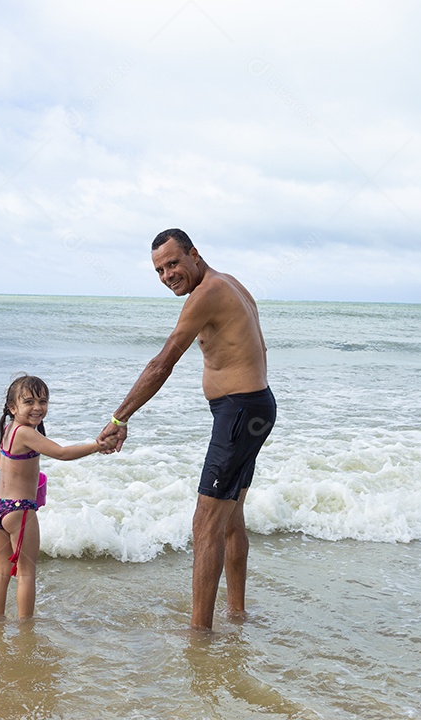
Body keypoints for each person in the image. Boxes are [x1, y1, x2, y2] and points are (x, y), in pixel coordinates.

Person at [97, 229, 276, 631]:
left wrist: (119, 418)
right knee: (230, 518)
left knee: (205, 524)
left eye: (173, 263)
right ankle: (236, 612)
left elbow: (163, 363)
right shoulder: (230, 283)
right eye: (159, 269)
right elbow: (258, 349)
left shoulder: (206, 293)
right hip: (255, 406)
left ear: (194, 254)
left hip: (240, 411)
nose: (167, 275)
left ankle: (199, 634)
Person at [0, 374, 115, 620]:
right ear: (13, 407)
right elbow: (62, 453)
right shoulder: (25, 433)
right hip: (19, 510)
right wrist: (96, 446)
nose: (38, 407)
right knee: (25, 573)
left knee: (1, 571)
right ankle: (25, 629)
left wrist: (24, 472)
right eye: (29, 402)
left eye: (43, 401)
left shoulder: (8, 429)